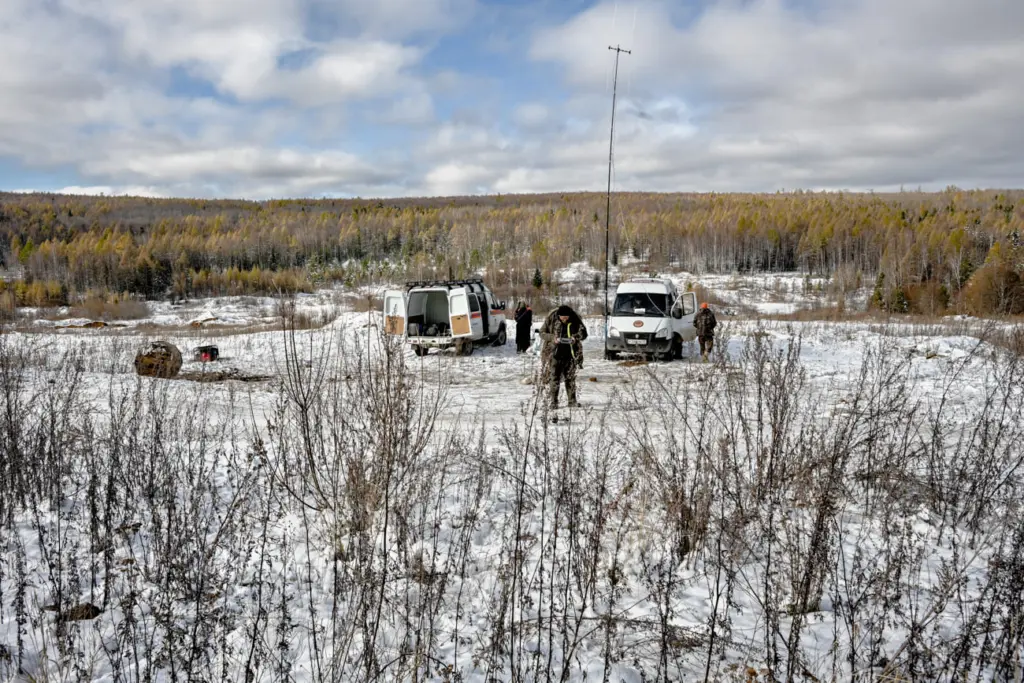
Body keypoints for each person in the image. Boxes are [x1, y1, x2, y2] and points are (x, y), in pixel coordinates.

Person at [540, 304, 588, 408]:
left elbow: (584, 333)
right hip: (554, 354)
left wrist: (575, 338)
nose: (564, 319)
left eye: (566, 317)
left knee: (570, 378)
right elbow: (542, 333)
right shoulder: (551, 318)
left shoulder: (575, 319)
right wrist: (553, 338)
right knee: (554, 378)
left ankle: (572, 401)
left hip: (570, 355)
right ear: (559, 315)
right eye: (563, 317)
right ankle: (554, 402)